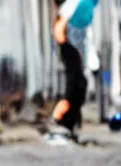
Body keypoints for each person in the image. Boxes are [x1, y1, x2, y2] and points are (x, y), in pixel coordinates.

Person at [45, 0, 90, 143]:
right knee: (75, 86)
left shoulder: (70, 10)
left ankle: (68, 123)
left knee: (77, 86)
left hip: (72, 49)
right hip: (70, 49)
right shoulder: (68, 12)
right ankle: (65, 122)